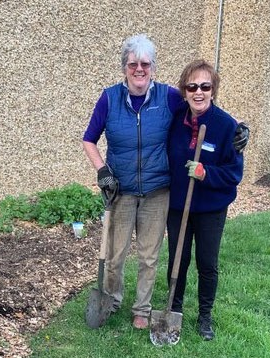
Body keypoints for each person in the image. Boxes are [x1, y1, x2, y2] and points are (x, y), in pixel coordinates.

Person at [83, 34, 248, 330]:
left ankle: (144, 310)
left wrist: (241, 129)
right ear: (124, 67)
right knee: (115, 255)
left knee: (150, 256)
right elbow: (89, 139)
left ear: (153, 67)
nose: (139, 69)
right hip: (121, 190)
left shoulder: (167, 97)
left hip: (159, 192)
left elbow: (208, 110)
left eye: (145, 63)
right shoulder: (110, 98)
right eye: (133, 63)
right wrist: (102, 171)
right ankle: (112, 299)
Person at [166, 59, 244, 340]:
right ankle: (173, 309)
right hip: (178, 206)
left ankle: (205, 316)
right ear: (184, 91)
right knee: (178, 258)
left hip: (211, 208)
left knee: (207, 262)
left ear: (214, 90)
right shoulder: (175, 119)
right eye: (192, 86)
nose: (198, 92)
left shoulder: (226, 126)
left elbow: (234, 173)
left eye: (205, 86)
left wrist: (205, 172)